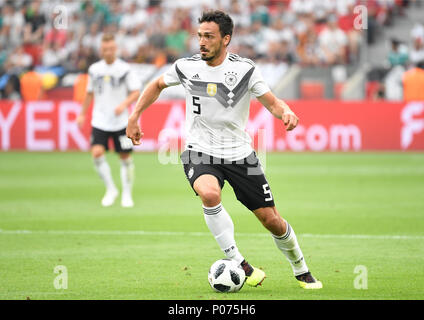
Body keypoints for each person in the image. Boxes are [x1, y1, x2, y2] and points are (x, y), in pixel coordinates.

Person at [126, 10, 322, 289]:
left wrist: (286, 112)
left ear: (225, 39)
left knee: (271, 220)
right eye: (200, 36)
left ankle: (300, 268)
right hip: (199, 150)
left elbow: (273, 103)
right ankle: (240, 262)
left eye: (209, 36)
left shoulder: (245, 70)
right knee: (208, 193)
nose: (202, 42)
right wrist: (134, 117)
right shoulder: (186, 66)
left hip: (240, 155)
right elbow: (156, 85)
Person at [77, 33, 141, 208]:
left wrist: (124, 104)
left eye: (111, 48)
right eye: (105, 49)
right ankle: (111, 189)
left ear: (116, 49)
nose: (108, 52)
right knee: (97, 153)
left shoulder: (124, 69)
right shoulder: (94, 69)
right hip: (100, 120)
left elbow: (136, 91)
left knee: (125, 157)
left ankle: (127, 194)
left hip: (121, 121)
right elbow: (89, 93)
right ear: (101, 50)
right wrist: (82, 114)